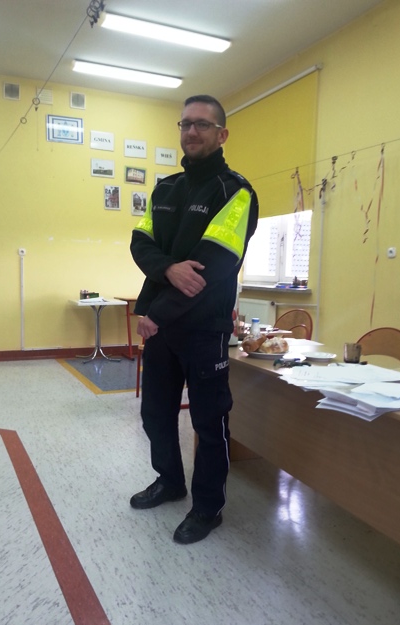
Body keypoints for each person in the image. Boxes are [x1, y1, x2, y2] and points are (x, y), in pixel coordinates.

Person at [129, 95, 259, 544]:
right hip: (161, 330)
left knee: (208, 422)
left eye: (202, 125)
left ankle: (207, 507)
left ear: (222, 134)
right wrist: (167, 269)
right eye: (185, 124)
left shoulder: (235, 192)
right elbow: (140, 244)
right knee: (155, 415)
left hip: (204, 330)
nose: (191, 132)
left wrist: (155, 313)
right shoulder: (165, 189)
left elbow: (211, 265)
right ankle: (170, 482)